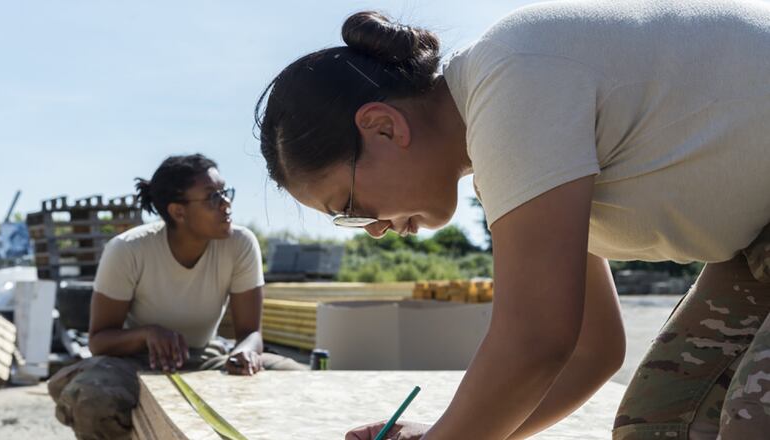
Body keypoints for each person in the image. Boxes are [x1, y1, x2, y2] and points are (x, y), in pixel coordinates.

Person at [254, 1, 770, 439]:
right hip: (756, 239)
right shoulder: (509, 149)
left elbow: (537, 340)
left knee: (754, 419)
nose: (374, 228)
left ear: (383, 128)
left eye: (348, 208)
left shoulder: (512, 81)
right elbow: (592, 351)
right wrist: (445, 432)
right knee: (660, 421)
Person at [48, 153, 306, 440]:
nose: (226, 203)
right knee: (92, 396)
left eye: (225, 191)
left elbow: (251, 333)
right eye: (212, 197)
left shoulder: (240, 244)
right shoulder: (127, 250)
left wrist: (244, 351)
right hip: (132, 363)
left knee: (295, 378)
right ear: (178, 212)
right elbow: (99, 341)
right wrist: (148, 334)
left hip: (206, 356)